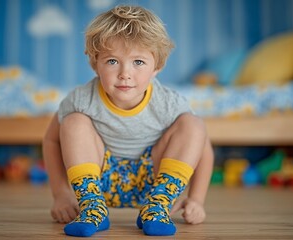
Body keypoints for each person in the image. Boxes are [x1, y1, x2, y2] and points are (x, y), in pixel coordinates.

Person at [42, 5, 214, 237]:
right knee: (73, 122)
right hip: (97, 181)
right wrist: (61, 194)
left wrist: (196, 199)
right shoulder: (82, 99)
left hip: (154, 181)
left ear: (158, 66)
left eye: (138, 62)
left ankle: (157, 207)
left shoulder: (168, 104)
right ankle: (92, 208)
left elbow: (202, 147)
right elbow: (52, 141)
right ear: (95, 63)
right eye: (112, 61)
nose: (125, 73)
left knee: (194, 124)